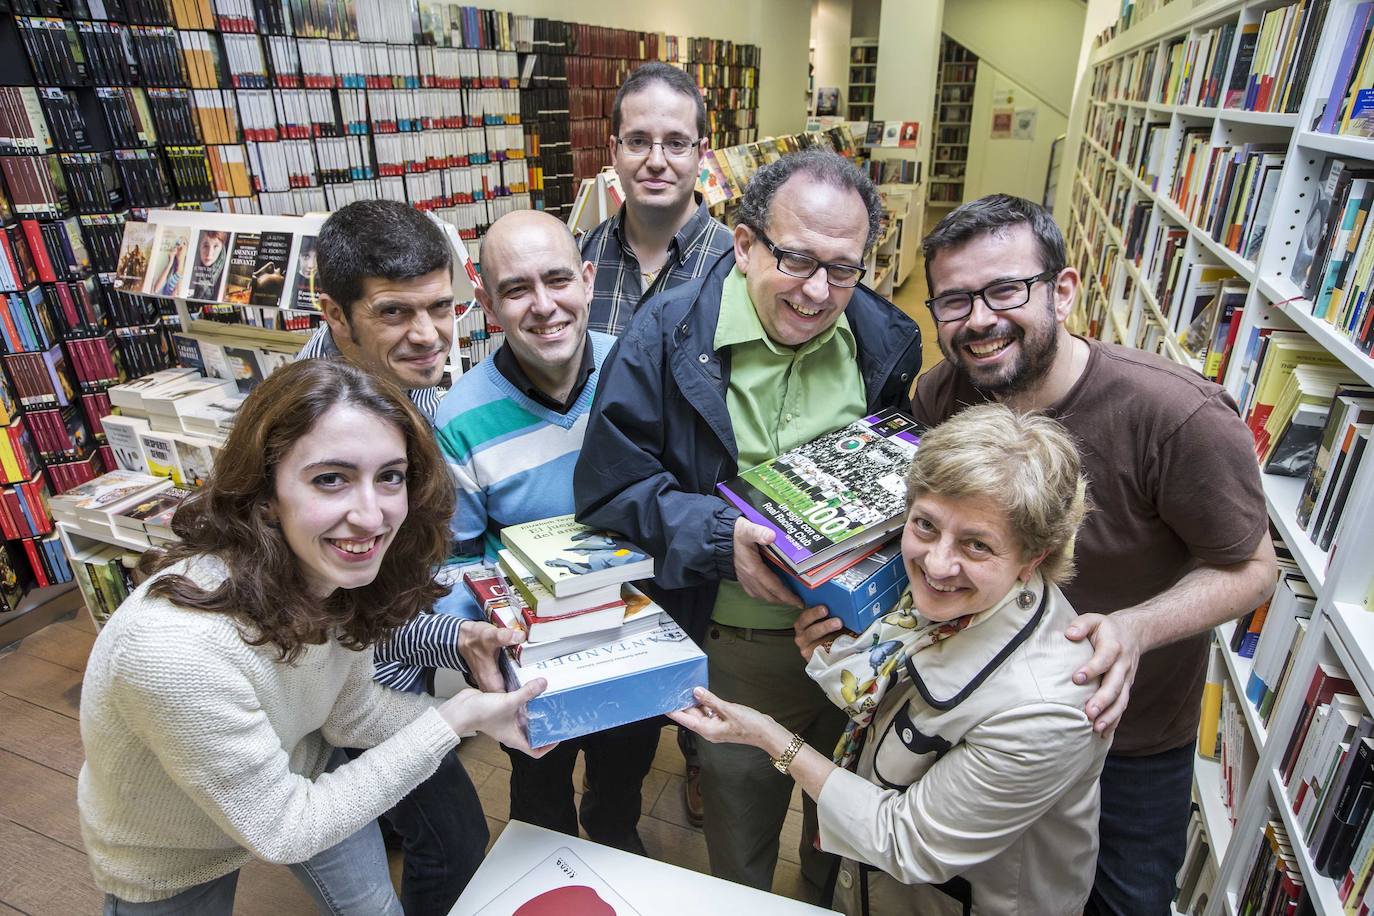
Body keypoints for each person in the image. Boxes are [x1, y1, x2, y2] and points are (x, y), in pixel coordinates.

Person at [909, 194, 1276, 915]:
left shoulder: (1176, 417)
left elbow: (1252, 566)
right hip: (979, 717)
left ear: (1064, 290)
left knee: (1124, 903)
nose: (979, 319)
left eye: (1005, 289)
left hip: (1126, 742)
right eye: (953, 301)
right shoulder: (941, 394)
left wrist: (1135, 628)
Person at [78, 359, 549, 915]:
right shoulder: (175, 650)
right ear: (265, 494)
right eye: (331, 479)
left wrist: (479, 714)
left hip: (301, 774)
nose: (372, 515)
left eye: (390, 476)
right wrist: (453, 718)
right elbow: (283, 829)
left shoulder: (333, 576)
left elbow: (348, 711)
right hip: (171, 846)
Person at [574, 149, 922, 895]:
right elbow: (610, 489)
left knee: (847, 822)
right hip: (736, 645)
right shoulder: (663, 334)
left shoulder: (885, 340)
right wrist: (717, 539)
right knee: (742, 835)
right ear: (743, 243)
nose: (818, 290)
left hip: (862, 642)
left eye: (843, 267)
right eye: (795, 259)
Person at [673, 404, 1108, 915]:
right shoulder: (969, 595)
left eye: (976, 544)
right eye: (925, 525)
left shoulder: (1045, 711)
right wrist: (841, 658)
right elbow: (908, 682)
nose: (937, 563)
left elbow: (905, 843)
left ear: (1032, 559)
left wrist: (770, 737)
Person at [299, 199, 511, 915]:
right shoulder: (308, 425)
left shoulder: (396, 388)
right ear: (333, 312)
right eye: (395, 313)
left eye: (442, 307)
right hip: (335, 693)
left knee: (428, 826)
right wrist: (453, 636)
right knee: (451, 840)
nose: (430, 337)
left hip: (389, 664)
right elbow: (331, 613)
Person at [433, 210, 660, 854]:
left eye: (558, 279)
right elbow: (456, 558)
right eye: (515, 289)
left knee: (621, 786)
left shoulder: (639, 368)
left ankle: (614, 832)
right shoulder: (461, 419)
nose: (544, 306)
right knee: (539, 803)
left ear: (588, 280)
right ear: (485, 302)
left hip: (635, 640)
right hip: (531, 663)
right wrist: (486, 642)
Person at [578, 58, 736, 828]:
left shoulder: (738, 264)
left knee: (708, 676)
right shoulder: (578, 262)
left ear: (702, 153)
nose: (656, 159)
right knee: (621, 715)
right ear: (612, 151)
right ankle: (614, 810)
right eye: (637, 140)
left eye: (676, 141)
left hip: (700, 518)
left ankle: (703, 763)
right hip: (610, 516)